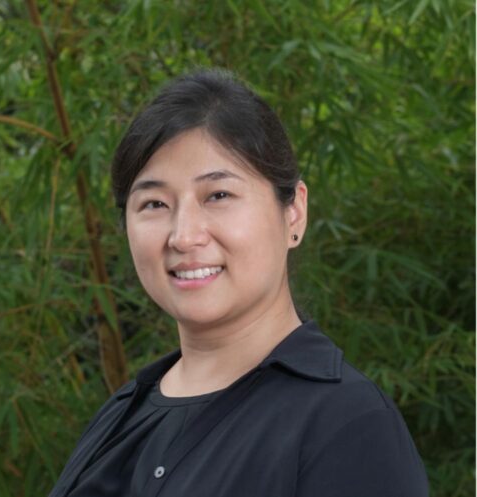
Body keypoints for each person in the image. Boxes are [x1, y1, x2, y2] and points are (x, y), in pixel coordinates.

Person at [49, 69, 429, 497]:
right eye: (154, 203)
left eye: (218, 196)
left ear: (294, 213)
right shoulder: (120, 414)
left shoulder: (348, 424)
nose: (184, 236)